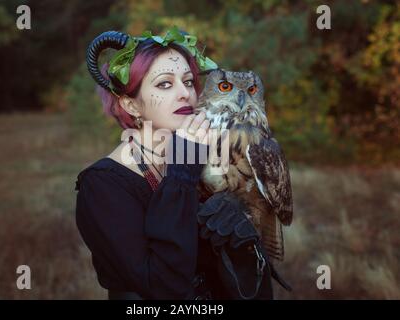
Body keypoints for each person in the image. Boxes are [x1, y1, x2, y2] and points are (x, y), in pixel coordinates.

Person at [75, 28, 275, 300]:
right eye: (165, 84)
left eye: (189, 82)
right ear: (131, 105)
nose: (185, 94)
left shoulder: (208, 156)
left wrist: (243, 249)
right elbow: (164, 287)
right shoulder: (103, 186)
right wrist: (182, 173)